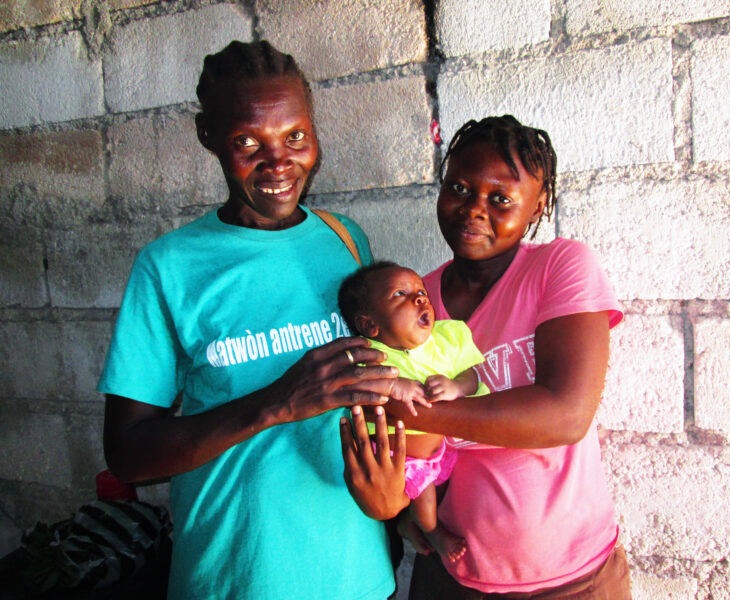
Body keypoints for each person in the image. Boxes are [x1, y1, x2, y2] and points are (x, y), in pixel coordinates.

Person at [98, 40, 407, 600]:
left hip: (357, 574)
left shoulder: (345, 241)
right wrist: (276, 404)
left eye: (295, 137)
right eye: (248, 141)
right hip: (235, 576)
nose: (279, 162)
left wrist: (396, 509)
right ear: (208, 137)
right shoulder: (169, 267)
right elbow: (128, 455)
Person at [341, 115, 632, 599]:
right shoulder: (411, 300)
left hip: (572, 579)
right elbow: (384, 439)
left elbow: (564, 415)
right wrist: (405, 509)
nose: (473, 210)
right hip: (453, 572)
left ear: (539, 205)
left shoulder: (560, 267)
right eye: (458, 187)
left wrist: (411, 407)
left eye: (500, 199)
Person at [338, 261, 489, 563]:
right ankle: (432, 530)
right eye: (401, 294)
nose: (420, 298)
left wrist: (456, 387)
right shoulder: (369, 353)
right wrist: (394, 387)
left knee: (436, 487)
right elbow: (355, 383)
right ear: (370, 325)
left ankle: (408, 522)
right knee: (425, 493)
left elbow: (473, 376)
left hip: (438, 449)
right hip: (398, 461)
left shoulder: (448, 338)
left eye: (421, 291)